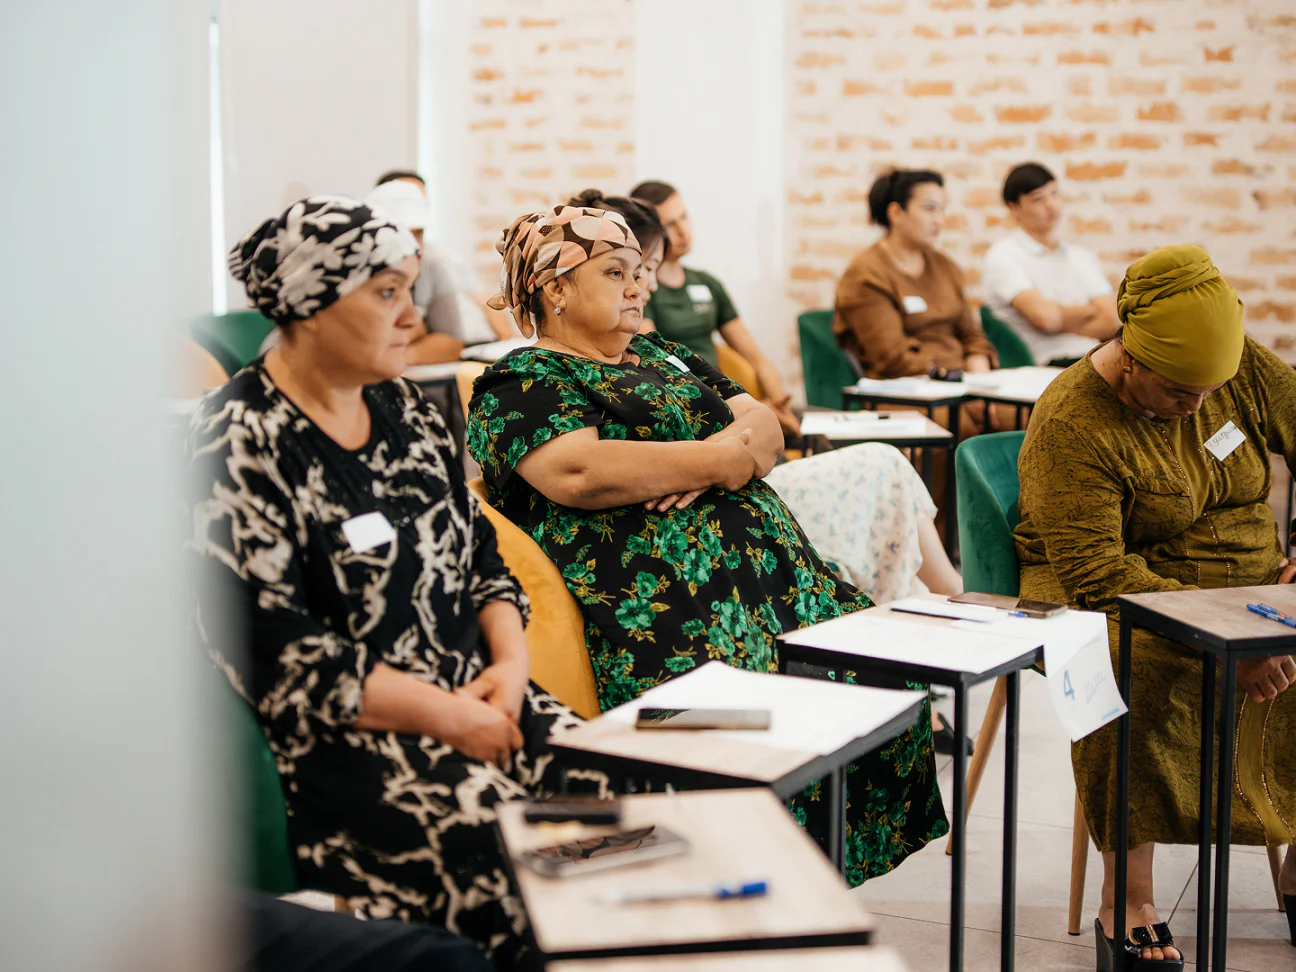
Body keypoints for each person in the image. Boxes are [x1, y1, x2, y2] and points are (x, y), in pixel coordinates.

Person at [467, 204, 950, 885]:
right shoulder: (523, 379)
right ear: (556, 288)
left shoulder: (662, 353)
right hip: (666, 616)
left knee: (882, 679)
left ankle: (801, 883)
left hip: (773, 589)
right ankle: (751, 885)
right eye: (616, 272)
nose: (639, 285)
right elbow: (580, 472)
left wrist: (705, 460)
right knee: (763, 720)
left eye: (640, 271)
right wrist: (723, 459)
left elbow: (766, 425)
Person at [189, 196, 599, 970]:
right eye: (386, 294)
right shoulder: (236, 440)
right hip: (352, 745)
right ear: (309, 307)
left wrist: (511, 670)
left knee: (626, 804)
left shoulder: (404, 406)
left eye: (409, 289)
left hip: (480, 695)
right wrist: (450, 717)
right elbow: (282, 655)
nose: (412, 316)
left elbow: (481, 554)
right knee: (516, 859)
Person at [1014, 245, 1296, 966]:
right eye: (1178, 391)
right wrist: (1227, 640)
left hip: (1249, 584)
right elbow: (1098, 574)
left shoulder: (1239, 368)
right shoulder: (1071, 421)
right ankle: (1128, 897)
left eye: (1210, 390)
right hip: (1111, 587)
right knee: (1123, 665)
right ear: (1130, 356)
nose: (1197, 406)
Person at [629, 179, 800, 435]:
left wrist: (778, 403)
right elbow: (657, 365)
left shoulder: (707, 283)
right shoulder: (641, 292)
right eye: (670, 224)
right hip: (686, 400)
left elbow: (755, 357)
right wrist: (749, 408)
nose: (683, 231)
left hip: (722, 393)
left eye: (684, 217)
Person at [834, 169, 997, 380]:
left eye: (942, 210)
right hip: (909, 386)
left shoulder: (945, 266)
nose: (939, 221)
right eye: (929, 209)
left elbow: (972, 336)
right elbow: (892, 358)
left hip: (962, 381)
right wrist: (950, 376)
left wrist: (981, 379)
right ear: (896, 213)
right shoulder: (866, 275)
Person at [982, 162, 1120, 368]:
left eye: (1054, 194)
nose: (1051, 205)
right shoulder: (1003, 255)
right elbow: (1045, 318)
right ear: (1014, 208)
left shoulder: (1080, 256)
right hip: (1048, 364)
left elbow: (1113, 321)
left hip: (1095, 357)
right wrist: (1092, 310)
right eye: (1038, 199)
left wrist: (1059, 318)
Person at [376, 169, 516, 345]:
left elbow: (485, 302)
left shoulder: (437, 258)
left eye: (421, 200)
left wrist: (506, 343)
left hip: (477, 343)